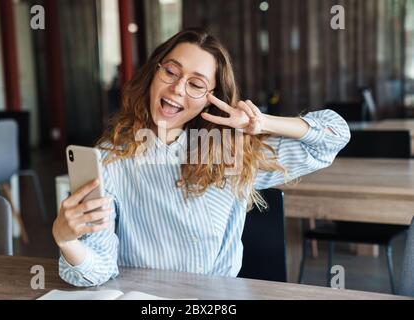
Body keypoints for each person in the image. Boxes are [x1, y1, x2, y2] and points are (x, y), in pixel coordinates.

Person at [52, 28, 350, 287]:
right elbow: (97, 271)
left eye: (196, 84)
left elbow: (334, 136)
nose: (177, 88)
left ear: (213, 97)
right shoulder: (110, 157)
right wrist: (66, 240)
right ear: (154, 71)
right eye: (170, 71)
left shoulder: (229, 151)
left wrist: (263, 123)